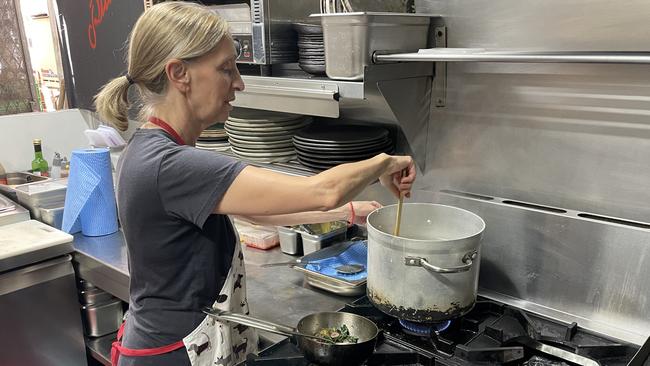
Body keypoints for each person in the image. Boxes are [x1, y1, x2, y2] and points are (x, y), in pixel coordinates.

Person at [95, 2, 415, 366]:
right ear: (179, 73)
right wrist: (384, 161)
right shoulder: (171, 164)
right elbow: (322, 190)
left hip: (173, 343)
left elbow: (255, 212)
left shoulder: (151, 149)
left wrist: (348, 212)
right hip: (176, 353)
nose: (239, 82)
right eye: (226, 68)